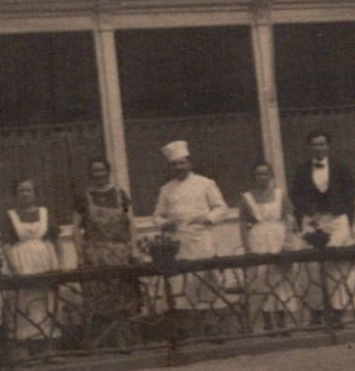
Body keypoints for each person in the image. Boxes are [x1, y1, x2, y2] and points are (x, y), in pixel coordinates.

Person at [288, 131, 355, 323]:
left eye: (322, 144)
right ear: (309, 147)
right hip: (313, 221)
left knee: (339, 266)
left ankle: (337, 311)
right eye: (314, 144)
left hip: (337, 220)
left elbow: (351, 195)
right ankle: (316, 312)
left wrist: (347, 221)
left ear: (328, 146)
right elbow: (295, 196)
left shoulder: (340, 167)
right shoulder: (301, 170)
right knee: (313, 268)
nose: (318, 148)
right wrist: (307, 217)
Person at [151, 141, 229, 312]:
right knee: (181, 286)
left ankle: (211, 324)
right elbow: (156, 215)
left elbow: (221, 208)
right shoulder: (166, 189)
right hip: (178, 243)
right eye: (174, 164)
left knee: (206, 283)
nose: (178, 167)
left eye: (182, 163)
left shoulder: (205, 183)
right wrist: (165, 223)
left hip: (201, 240)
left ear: (189, 163)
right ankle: (186, 323)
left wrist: (208, 218)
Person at [73, 157, 141, 322]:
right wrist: (80, 255)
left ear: (108, 172)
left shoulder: (120, 194)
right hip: (96, 256)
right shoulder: (84, 197)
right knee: (99, 300)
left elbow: (130, 223)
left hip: (120, 255)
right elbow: (75, 229)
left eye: (101, 170)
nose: (98, 174)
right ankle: (104, 338)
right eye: (94, 171)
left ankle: (126, 337)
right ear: (90, 174)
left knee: (124, 296)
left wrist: (134, 248)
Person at [0, 178, 62, 340]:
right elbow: (5, 244)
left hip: (44, 260)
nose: (25, 194)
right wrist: (13, 266)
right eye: (21, 190)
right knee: (23, 299)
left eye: (29, 190)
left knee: (45, 297)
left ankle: (48, 341)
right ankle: (24, 341)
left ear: (35, 193)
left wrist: (60, 263)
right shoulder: (10, 216)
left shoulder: (44, 213)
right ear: (16, 194)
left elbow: (56, 239)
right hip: (21, 261)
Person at [239, 161, 296, 332]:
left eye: (265, 174)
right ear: (254, 177)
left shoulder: (280, 195)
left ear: (271, 176)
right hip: (258, 240)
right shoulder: (247, 198)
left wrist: (287, 241)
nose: (262, 177)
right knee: (261, 279)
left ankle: (283, 321)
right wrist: (247, 248)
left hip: (278, 239)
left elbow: (288, 219)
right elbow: (242, 225)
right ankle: (268, 323)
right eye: (258, 174)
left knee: (281, 279)